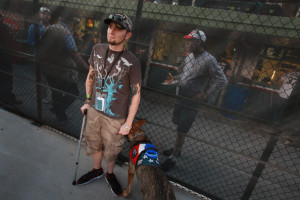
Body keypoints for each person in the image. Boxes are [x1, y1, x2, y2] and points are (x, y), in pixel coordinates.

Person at [76, 14, 142, 196]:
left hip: (115, 117)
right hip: (95, 109)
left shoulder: (133, 62)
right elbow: (91, 75)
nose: (112, 31)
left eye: (118, 28)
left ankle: (109, 173)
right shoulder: (97, 49)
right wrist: (87, 101)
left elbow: (136, 94)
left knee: (112, 150)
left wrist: (128, 123)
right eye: (110, 26)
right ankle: (97, 170)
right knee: (94, 143)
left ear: (127, 35)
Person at [161, 29, 228, 171]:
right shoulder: (190, 56)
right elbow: (183, 75)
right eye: (187, 40)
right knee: (177, 123)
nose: (187, 43)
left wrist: (205, 93)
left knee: (182, 129)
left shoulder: (209, 59)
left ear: (199, 42)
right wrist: (174, 80)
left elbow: (222, 80)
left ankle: (173, 158)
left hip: (192, 102)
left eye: (191, 41)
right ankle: (177, 149)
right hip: (181, 97)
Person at [37, 13, 89, 121]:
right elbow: (74, 53)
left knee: (56, 92)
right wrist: (85, 67)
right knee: (74, 92)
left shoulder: (49, 28)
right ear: (71, 23)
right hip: (60, 70)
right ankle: (58, 110)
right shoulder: (66, 34)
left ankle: (59, 113)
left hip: (47, 67)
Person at [27, 6, 51, 104]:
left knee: (48, 78)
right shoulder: (34, 27)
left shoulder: (51, 27)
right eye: (44, 14)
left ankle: (47, 97)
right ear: (40, 15)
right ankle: (41, 96)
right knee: (41, 78)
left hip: (50, 57)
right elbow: (30, 41)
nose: (46, 16)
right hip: (39, 56)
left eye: (48, 14)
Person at [0, 13, 22, 105]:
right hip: (4, 56)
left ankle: (4, 96)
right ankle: (8, 98)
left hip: (4, 54)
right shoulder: (4, 28)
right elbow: (10, 38)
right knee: (7, 77)